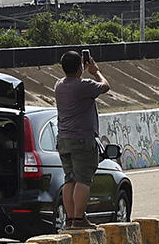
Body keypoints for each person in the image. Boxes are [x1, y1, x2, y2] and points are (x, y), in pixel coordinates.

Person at [54, 50, 110, 230]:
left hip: (64, 139)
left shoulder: (59, 85)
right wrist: (95, 71)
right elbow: (105, 86)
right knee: (83, 179)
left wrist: (82, 70)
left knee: (69, 179)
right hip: (82, 140)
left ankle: (70, 219)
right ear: (80, 66)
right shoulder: (84, 85)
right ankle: (79, 218)